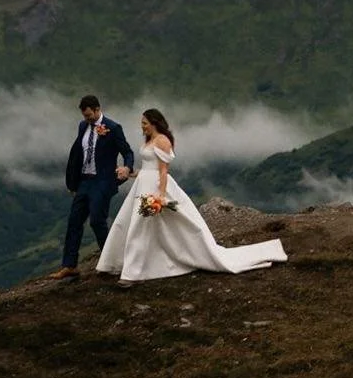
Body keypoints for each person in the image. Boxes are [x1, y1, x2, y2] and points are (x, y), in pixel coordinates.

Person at [96, 108, 288, 282]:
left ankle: (132, 272)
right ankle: (124, 264)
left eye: (145, 123)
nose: (142, 127)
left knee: (141, 225)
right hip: (141, 185)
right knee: (129, 223)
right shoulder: (149, 141)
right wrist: (129, 172)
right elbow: (148, 168)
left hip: (154, 188)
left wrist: (161, 196)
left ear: (154, 123)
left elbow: (163, 171)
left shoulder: (162, 140)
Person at [52, 94, 134, 279]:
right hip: (84, 181)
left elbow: (127, 151)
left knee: (97, 220)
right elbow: (77, 154)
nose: (87, 119)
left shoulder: (113, 128)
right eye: (84, 116)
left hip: (102, 181)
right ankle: (69, 265)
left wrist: (126, 167)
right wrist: (72, 181)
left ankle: (111, 261)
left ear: (97, 109)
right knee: (74, 221)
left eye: (89, 115)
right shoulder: (83, 126)